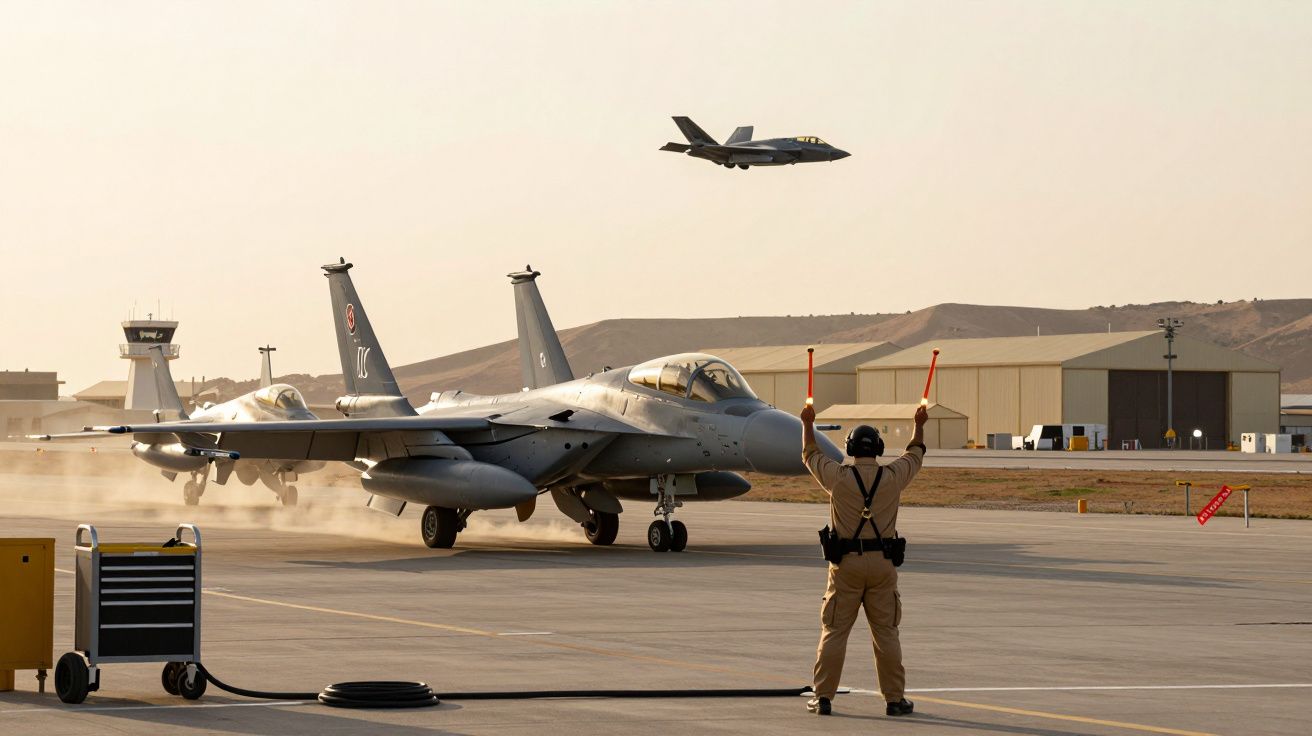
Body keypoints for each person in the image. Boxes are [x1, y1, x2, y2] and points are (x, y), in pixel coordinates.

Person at [800, 402, 927, 717]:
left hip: (846, 566)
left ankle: (824, 697)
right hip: (883, 565)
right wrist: (919, 423)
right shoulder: (893, 477)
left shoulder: (839, 478)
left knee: (834, 631)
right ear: (879, 449)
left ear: (851, 449)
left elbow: (810, 455)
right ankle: (895, 700)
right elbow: (916, 452)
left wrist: (807, 423)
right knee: (886, 633)